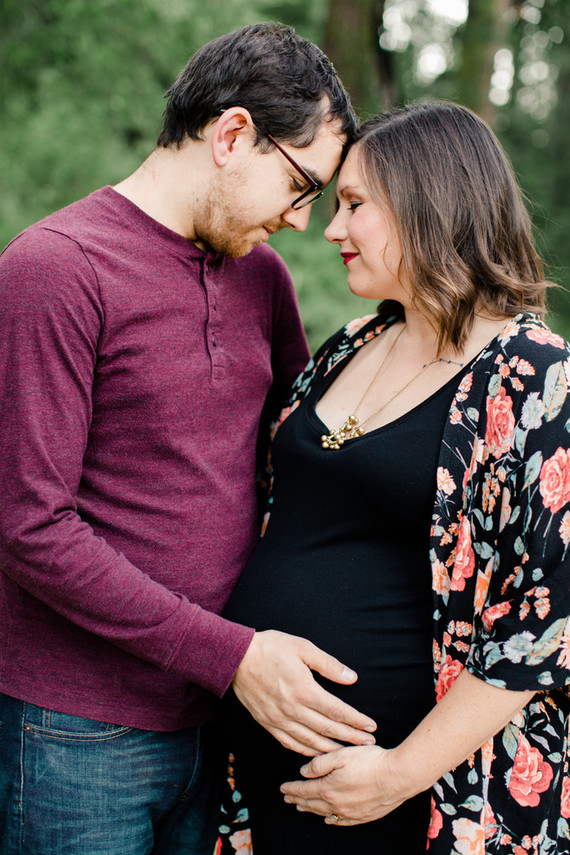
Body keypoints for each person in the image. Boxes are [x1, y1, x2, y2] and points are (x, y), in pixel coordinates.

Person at [0, 22, 380, 855]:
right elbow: (30, 526)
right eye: (301, 185)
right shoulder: (53, 269)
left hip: (219, 725)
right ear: (233, 134)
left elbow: (301, 458)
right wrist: (234, 655)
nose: (301, 219)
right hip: (75, 733)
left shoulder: (263, 277)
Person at [218, 101, 570, 854]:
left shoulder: (538, 376)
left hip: (413, 797)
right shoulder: (351, 342)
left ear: (428, 204)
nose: (331, 229)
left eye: (352, 205)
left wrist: (397, 773)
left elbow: (542, 626)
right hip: (268, 788)